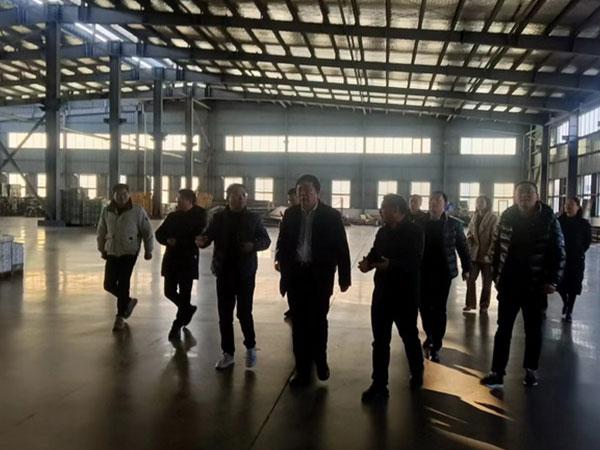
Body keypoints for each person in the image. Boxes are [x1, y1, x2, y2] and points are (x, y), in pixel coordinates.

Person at [481, 182, 565, 389]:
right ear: (514, 196)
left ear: (537, 196)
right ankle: (497, 372)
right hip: (509, 284)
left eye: (529, 193)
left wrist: (553, 280)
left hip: (535, 285)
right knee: (503, 329)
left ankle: (530, 370)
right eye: (520, 193)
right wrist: (496, 277)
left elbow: (559, 251)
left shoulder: (548, 219)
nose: (524, 197)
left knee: (534, 330)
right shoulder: (506, 217)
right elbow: (495, 248)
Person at [276, 174, 351, 387]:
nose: (303, 194)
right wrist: (279, 260)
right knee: (298, 324)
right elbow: (282, 241)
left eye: (308, 190)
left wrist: (344, 277)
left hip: (319, 277)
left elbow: (341, 247)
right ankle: (302, 369)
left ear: (318, 192)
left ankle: (320, 360)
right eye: (300, 191)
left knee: (318, 321)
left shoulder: (331, 216)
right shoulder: (290, 214)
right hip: (296, 276)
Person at [196, 184, 271, 370]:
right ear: (228, 198)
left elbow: (265, 240)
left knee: (244, 313)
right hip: (223, 272)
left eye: (243, 195)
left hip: (245, 273)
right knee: (225, 315)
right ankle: (228, 353)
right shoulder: (219, 218)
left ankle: (251, 347)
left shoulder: (253, 218)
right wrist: (203, 241)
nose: (240, 198)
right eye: (236, 195)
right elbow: (208, 236)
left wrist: (253, 246)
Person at [359, 194, 425, 402]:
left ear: (396, 210)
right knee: (380, 341)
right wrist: (368, 263)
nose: (381, 211)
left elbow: (414, 262)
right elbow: (375, 253)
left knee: (409, 336)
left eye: (384, 207)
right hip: (382, 294)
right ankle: (379, 384)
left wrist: (391, 265)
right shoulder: (382, 232)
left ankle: (417, 371)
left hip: (405, 295)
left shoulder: (415, 232)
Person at [420, 191, 470, 363]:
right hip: (423, 272)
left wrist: (467, 268)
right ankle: (429, 334)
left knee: (439, 308)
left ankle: (436, 344)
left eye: (437, 201)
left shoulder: (454, 224)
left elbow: (462, 247)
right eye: (431, 200)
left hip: (443, 273)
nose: (433, 203)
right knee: (424, 307)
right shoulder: (420, 222)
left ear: (445, 204)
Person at [97, 183, 153, 332]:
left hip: (129, 251)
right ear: (113, 195)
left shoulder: (137, 211)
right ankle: (128, 301)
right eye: (118, 194)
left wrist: (149, 250)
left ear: (129, 194)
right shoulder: (107, 211)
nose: (122, 197)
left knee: (123, 283)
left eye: (124, 194)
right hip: (112, 250)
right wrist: (102, 248)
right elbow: (101, 230)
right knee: (108, 284)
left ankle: (120, 317)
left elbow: (147, 231)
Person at [155, 189, 207, 342]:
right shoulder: (173, 216)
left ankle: (177, 324)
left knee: (185, 293)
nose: (177, 202)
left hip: (187, 260)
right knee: (169, 291)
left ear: (189, 200)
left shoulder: (199, 216)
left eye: (180, 199)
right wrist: (167, 240)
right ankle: (188, 309)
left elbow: (197, 236)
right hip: (171, 259)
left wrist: (177, 241)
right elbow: (159, 233)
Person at [558, 197, 591, 322]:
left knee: (573, 286)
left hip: (576, 260)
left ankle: (569, 311)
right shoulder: (559, 222)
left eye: (571, 204)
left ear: (578, 207)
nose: (568, 207)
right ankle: (565, 302)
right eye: (566, 204)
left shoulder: (584, 224)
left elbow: (587, 242)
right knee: (560, 285)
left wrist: (579, 251)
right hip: (561, 259)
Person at [464, 195, 498, 313]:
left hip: (487, 255)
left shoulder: (493, 218)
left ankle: (484, 305)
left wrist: (490, 254)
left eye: (482, 202)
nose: (479, 204)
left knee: (486, 283)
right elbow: (469, 232)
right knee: (470, 279)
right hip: (474, 254)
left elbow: (495, 238)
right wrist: (469, 239)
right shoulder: (474, 216)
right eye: (477, 202)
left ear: (487, 204)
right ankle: (470, 303)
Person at [276, 188, 300, 320]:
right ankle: (293, 308)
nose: (290, 203)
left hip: (304, 260)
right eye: (289, 200)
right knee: (290, 286)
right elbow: (281, 238)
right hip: (290, 259)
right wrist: (278, 258)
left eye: (293, 200)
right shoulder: (289, 213)